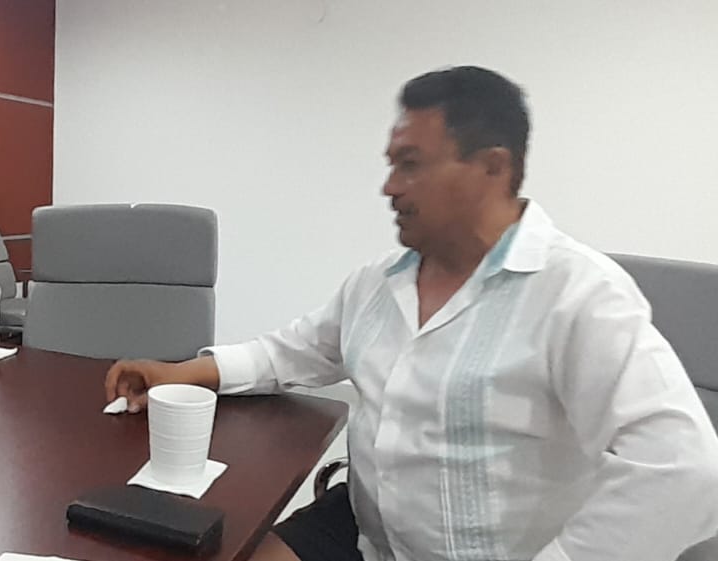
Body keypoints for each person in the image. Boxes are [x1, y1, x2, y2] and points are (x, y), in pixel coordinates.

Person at [105, 66, 718, 561]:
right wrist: (182, 372)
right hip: (367, 528)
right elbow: (292, 352)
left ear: (492, 168)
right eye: (391, 163)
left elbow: (684, 469)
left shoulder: (578, 294)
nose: (389, 186)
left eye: (411, 164)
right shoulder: (379, 282)